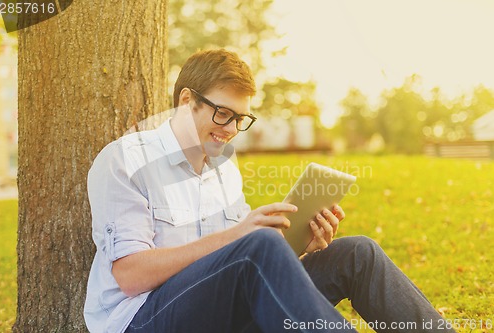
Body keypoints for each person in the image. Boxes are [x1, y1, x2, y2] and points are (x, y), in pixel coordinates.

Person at [84, 49, 455, 333]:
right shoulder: (125, 159)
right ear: (186, 101)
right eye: (222, 113)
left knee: (357, 253)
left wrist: (296, 245)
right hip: (144, 320)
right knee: (258, 244)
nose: (230, 129)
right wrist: (244, 235)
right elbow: (130, 276)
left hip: (221, 310)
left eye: (240, 119)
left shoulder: (224, 169)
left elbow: (241, 267)